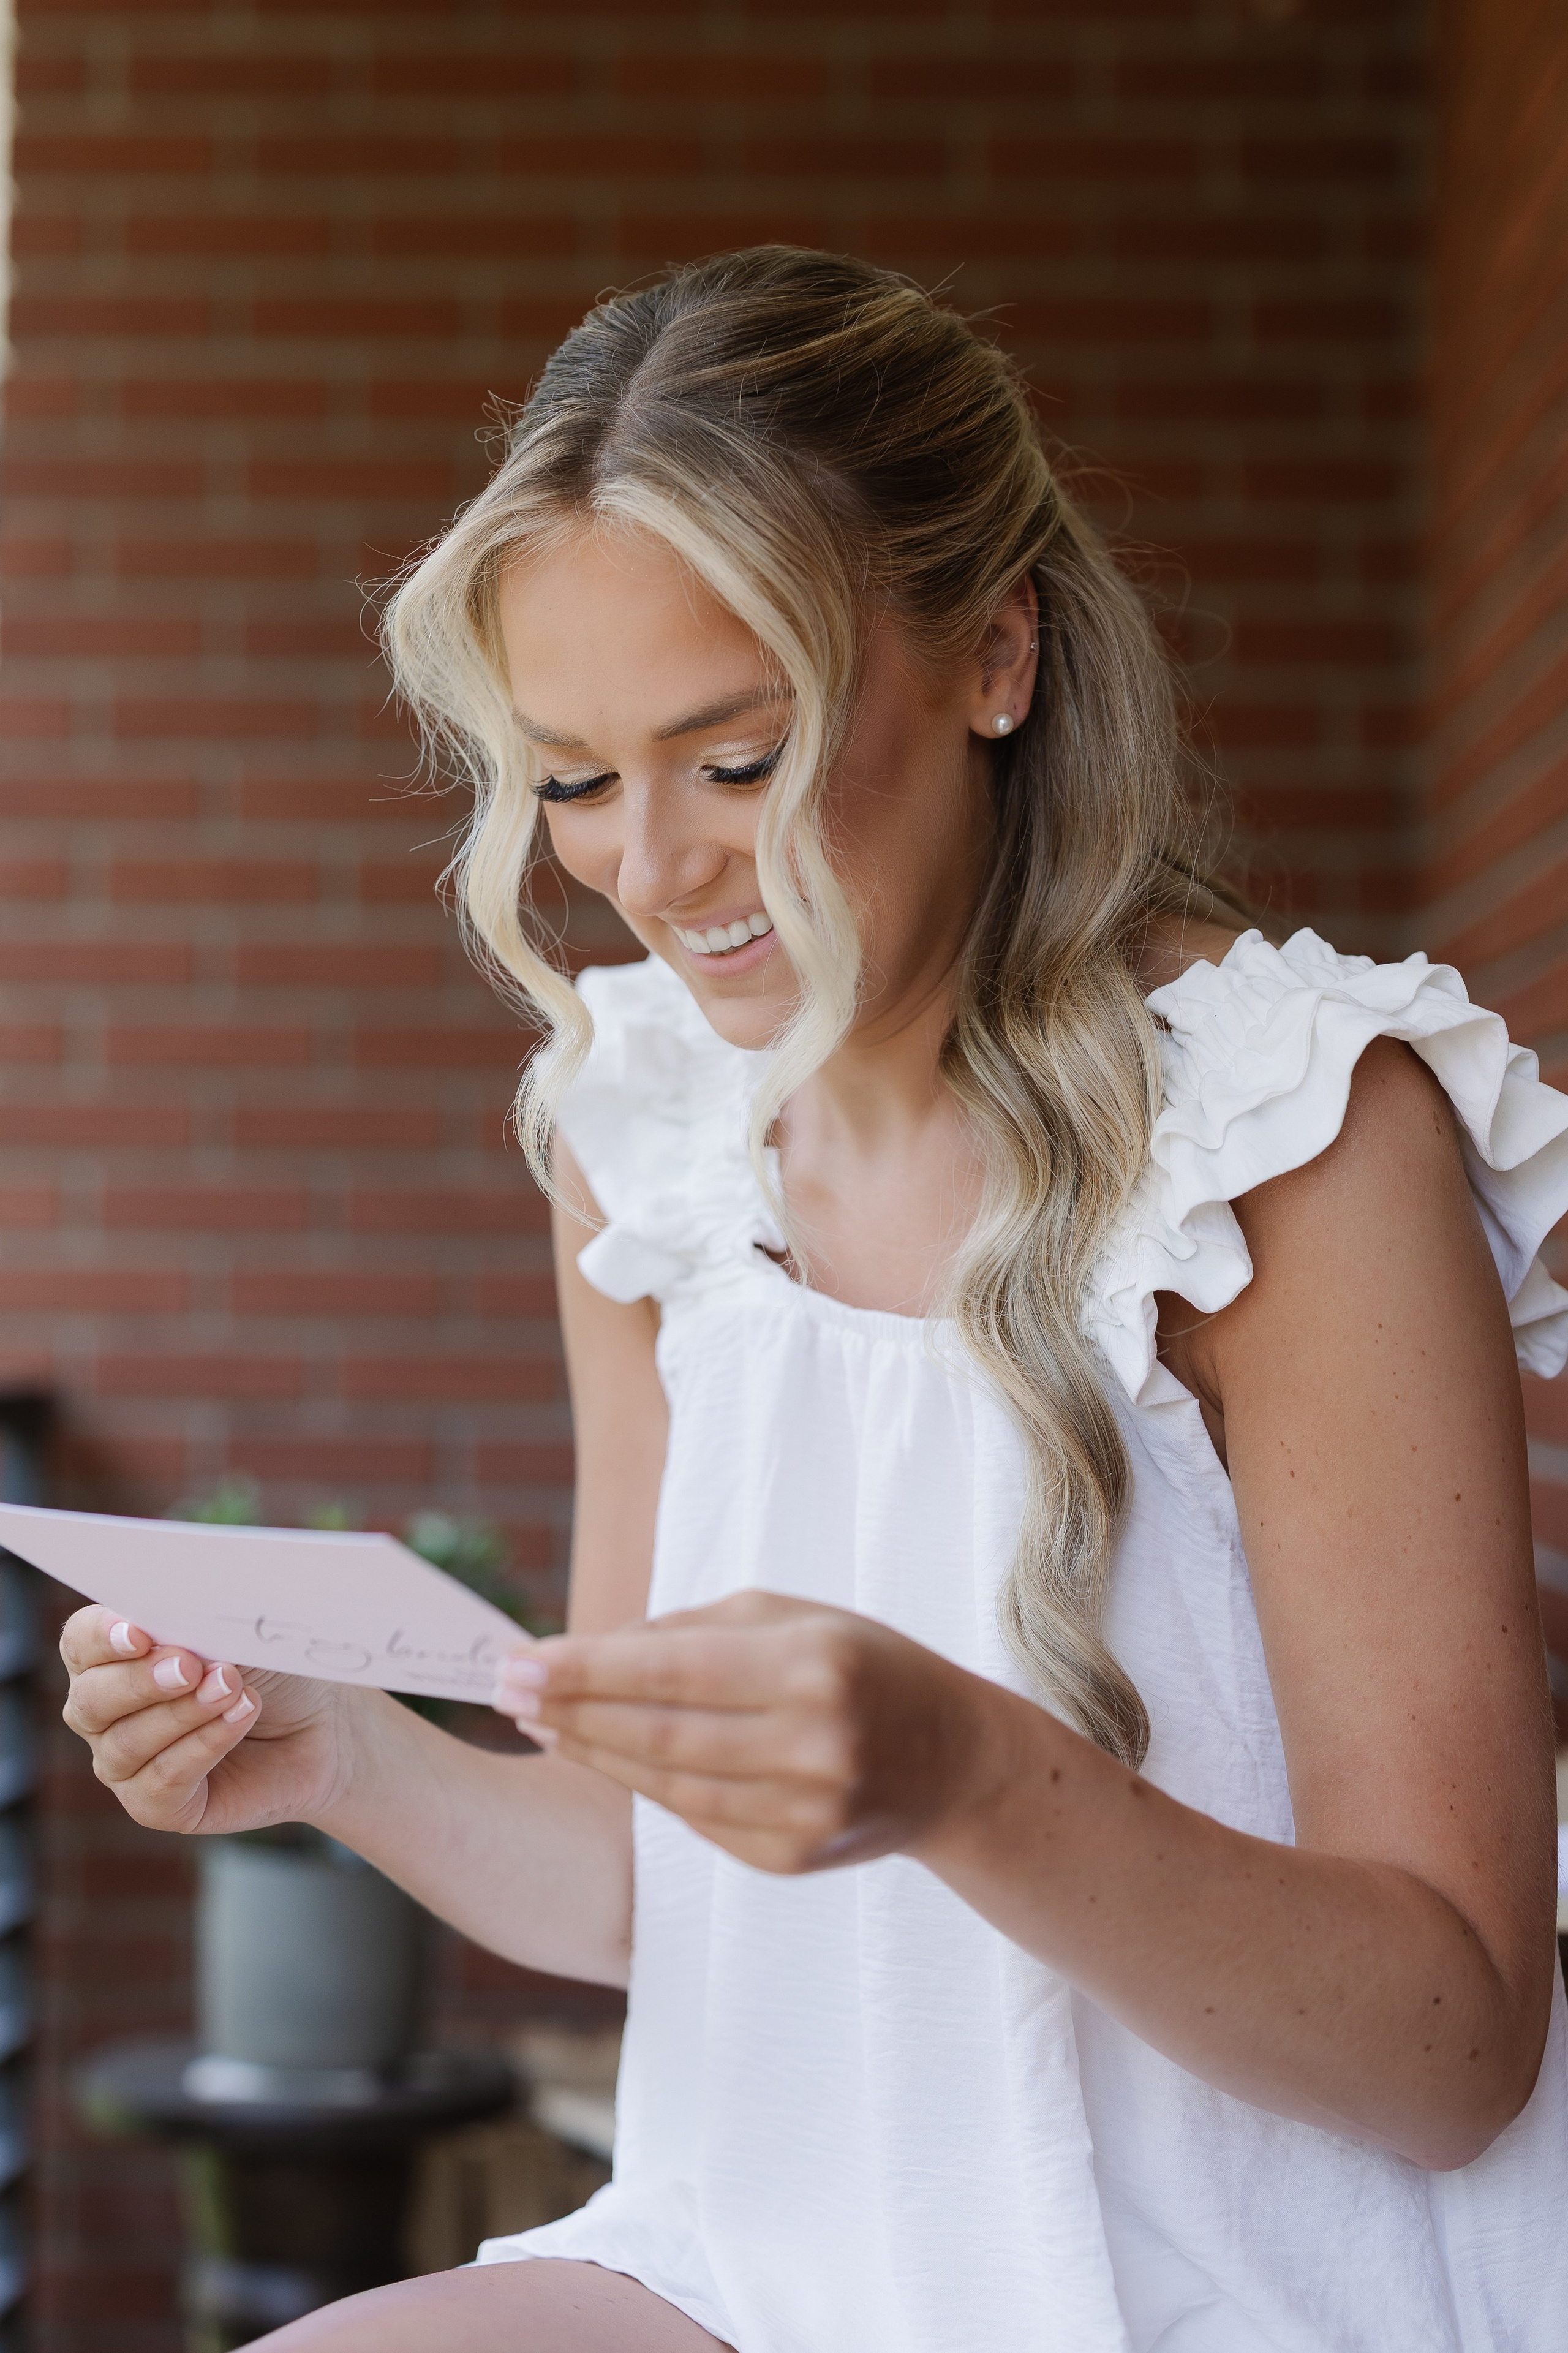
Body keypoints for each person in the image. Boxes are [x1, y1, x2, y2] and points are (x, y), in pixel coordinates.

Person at [60, 249, 1568, 2352]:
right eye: (572, 776)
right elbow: (646, 1878)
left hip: (1228, 2290)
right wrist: (337, 1758)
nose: (654, 870)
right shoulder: (646, 1128)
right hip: (755, 2259)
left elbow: (1452, 2043)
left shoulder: (1290, 1134)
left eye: (739, 752)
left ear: (1000, 658)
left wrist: (963, 1774)